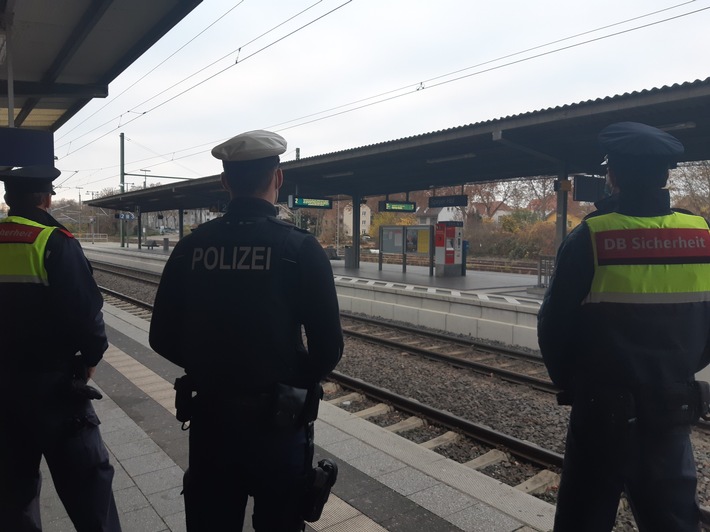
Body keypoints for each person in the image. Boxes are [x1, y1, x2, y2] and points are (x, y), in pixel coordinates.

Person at [149, 130, 344, 531]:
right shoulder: (300, 249)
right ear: (278, 178)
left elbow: (161, 337)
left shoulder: (191, 247)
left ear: (225, 183)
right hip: (278, 426)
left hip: (211, 421)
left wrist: (211, 365)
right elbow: (328, 349)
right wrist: (287, 370)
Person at [538, 121, 710, 531]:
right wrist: (679, 368)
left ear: (611, 176)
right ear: (666, 175)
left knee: (584, 517)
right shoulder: (701, 235)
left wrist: (572, 382)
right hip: (672, 408)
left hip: (601, 411)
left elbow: (554, 324)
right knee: (672, 520)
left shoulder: (591, 237)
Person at [0, 165, 121, 531]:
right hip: (54, 390)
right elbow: (86, 312)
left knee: (12, 493)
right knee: (89, 487)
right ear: (46, 198)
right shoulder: (53, 240)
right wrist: (90, 358)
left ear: (7, 199)